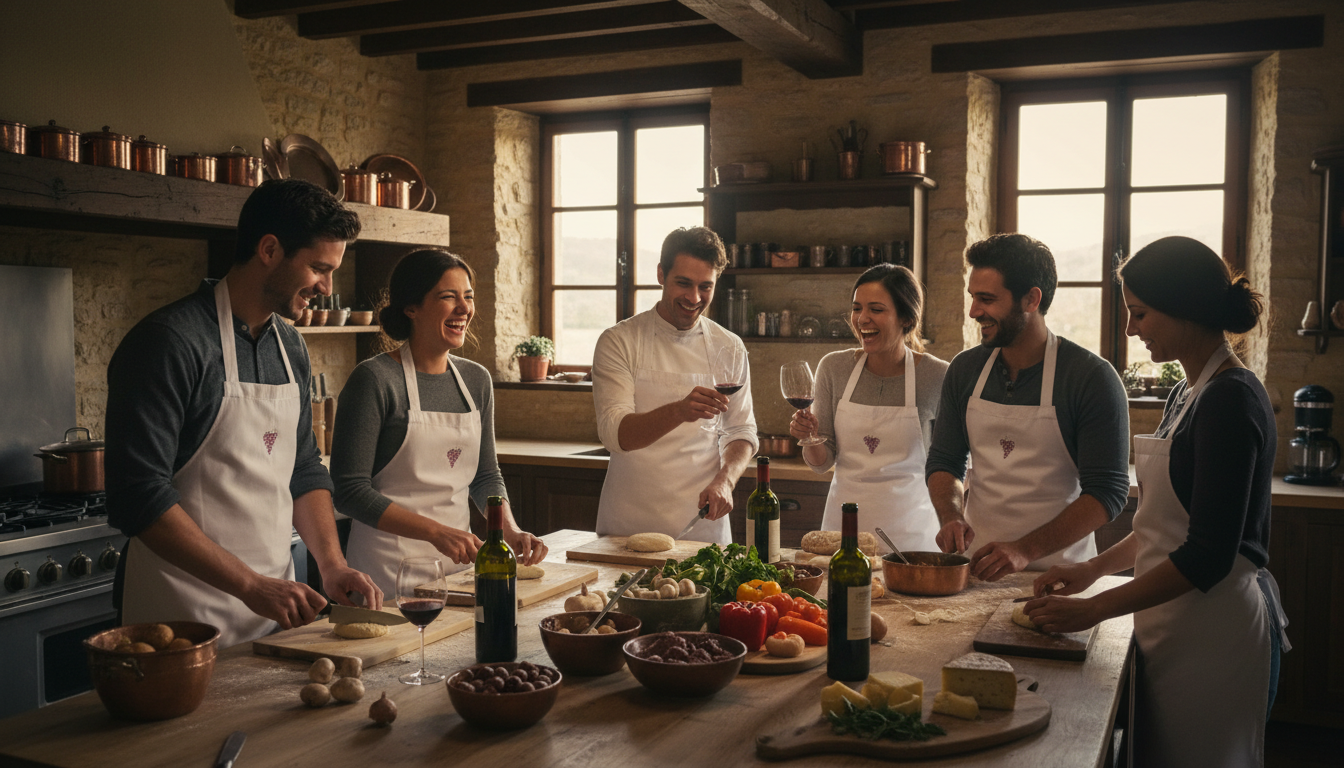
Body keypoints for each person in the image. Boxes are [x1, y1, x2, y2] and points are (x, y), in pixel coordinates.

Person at [1025, 236, 1285, 767]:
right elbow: (1167, 525)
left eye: (1139, 313)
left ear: (1183, 307)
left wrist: (1097, 607)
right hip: (1168, 617)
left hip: (1213, 630)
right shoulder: (1185, 394)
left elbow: (1208, 553)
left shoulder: (1232, 401)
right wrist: (1092, 570)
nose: (1129, 329)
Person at [106, 179, 381, 648]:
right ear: (269, 249)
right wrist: (250, 585)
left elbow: (303, 467)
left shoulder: (290, 344)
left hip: (275, 611)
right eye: (318, 267)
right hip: (180, 620)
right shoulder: (169, 342)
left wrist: (332, 567)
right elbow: (138, 496)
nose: (326, 287)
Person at [330, 249, 547, 595]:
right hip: (385, 574)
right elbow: (349, 492)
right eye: (448, 297)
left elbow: (485, 475)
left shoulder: (476, 380)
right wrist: (435, 532)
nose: (464, 308)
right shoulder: (374, 380)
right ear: (411, 307)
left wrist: (507, 528)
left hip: (457, 572)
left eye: (469, 297)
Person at [925, 233, 1130, 580]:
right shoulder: (965, 369)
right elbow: (945, 460)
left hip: (1060, 577)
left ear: (1031, 299)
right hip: (977, 571)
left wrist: (1024, 550)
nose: (975, 311)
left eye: (987, 299)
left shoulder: (1090, 377)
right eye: (973, 298)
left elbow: (1107, 493)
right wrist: (951, 515)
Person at [592, 227, 758, 543]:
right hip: (628, 527)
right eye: (683, 283)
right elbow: (615, 434)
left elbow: (741, 430)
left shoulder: (730, 347)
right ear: (660, 274)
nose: (694, 298)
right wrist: (680, 411)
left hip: (702, 528)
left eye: (705, 287)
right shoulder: (620, 341)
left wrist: (725, 481)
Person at [789, 264, 948, 552]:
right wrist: (809, 437)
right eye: (857, 308)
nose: (862, 319)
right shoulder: (833, 367)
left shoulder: (938, 377)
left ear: (907, 318)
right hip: (842, 532)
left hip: (912, 536)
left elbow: (952, 468)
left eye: (876, 309)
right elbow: (822, 462)